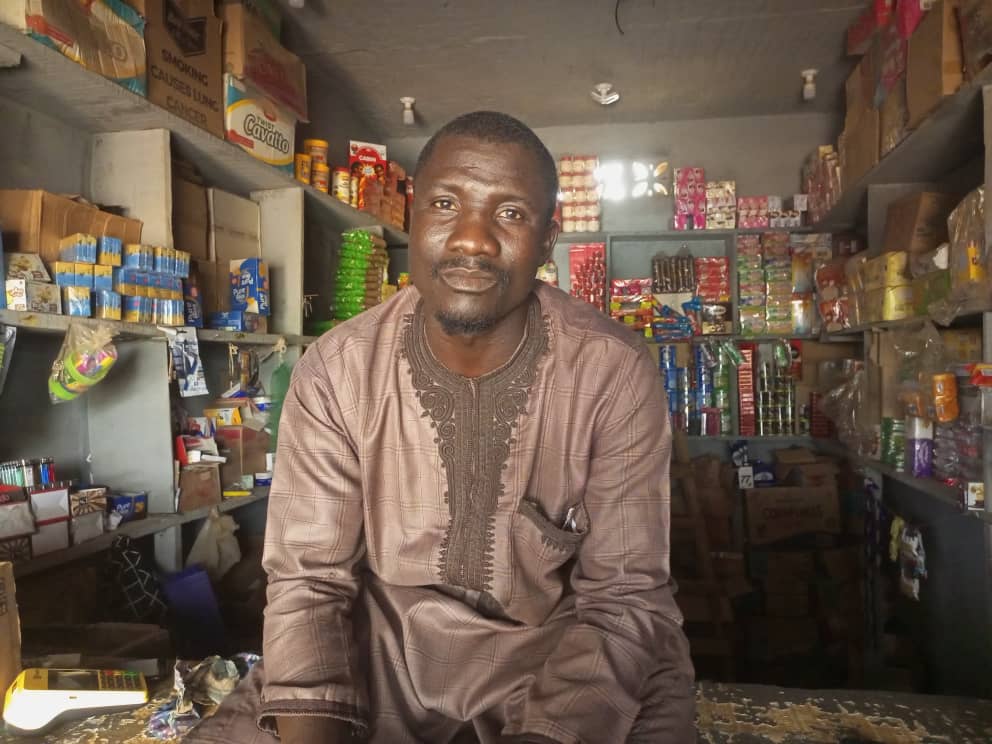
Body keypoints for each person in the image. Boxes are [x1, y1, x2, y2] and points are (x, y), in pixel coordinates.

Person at [188, 111, 694, 744]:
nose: (473, 239)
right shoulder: (337, 371)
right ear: (412, 217)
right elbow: (309, 585)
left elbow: (622, 598)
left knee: (653, 704)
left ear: (547, 241)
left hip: (556, 657)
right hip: (380, 651)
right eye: (447, 204)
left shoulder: (613, 373)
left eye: (510, 214)